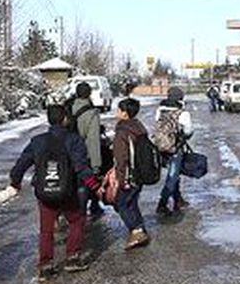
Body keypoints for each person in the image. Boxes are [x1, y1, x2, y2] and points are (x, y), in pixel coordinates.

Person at [10, 105, 101, 280]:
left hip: (45, 193)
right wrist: (95, 187)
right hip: (69, 192)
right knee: (76, 221)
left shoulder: (37, 141)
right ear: (65, 119)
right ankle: (72, 258)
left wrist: (15, 182)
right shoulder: (74, 140)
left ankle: (45, 265)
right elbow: (81, 167)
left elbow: (21, 165)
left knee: (46, 230)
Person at [112, 97, 151, 249]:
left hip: (129, 174)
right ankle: (140, 229)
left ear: (125, 113)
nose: (117, 113)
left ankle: (137, 230)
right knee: (132, 201)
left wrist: (121, 178)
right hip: (140, 173)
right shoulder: (139, 127)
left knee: (120, 203)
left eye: (119, 110)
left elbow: (122, 158)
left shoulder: (123, 131)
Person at [69, 81, 107, 219]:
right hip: (84, 155)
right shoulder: (91, 113)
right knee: (86, 183)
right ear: (90, 93)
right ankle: (88, 209)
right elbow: (93, 141)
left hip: (68, 153)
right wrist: (96, 165)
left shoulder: (68, 107)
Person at [153, 86, 193, 215]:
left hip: (161, 147)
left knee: (174, 174)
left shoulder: (160, 110)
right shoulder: (183, 113)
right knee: (172, 176)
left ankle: (178, 200)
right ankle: (162, 204)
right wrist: (183, 136)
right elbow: (188, 131)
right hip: (175, 148)